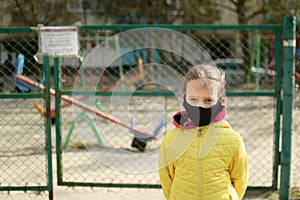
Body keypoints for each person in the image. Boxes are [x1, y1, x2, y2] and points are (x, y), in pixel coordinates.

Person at [159, 63, 249, 200]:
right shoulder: (171, 139)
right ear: (184, 99)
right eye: (193, 99)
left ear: (220, 102)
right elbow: (167, 178)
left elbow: (240, 179)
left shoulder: (233, 140)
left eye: (208, 100)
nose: (200, 105)